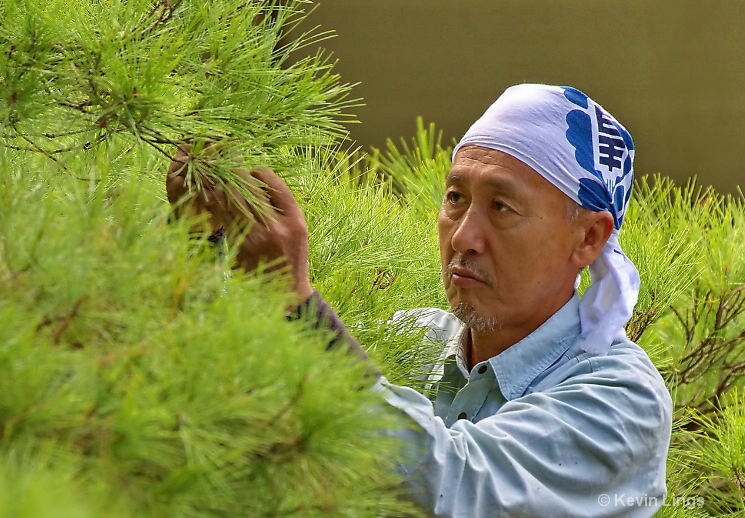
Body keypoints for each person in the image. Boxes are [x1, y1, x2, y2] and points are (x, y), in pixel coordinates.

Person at [167, 84, 672, 517]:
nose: (464, 236)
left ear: (587, 238)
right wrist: (207, 245)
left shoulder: (622, 397)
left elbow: (457, 490)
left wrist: (292, 299)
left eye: (501, 206)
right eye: (455, 198)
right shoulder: (414, 338)